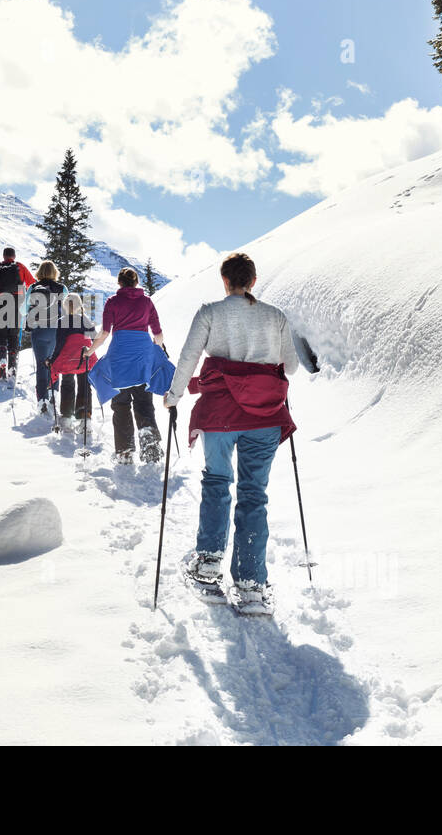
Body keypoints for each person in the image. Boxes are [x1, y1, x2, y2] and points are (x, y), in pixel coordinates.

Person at [162, 252, 300, 616]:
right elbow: (293, 366)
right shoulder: (275, 316)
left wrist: (174, 396)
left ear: (225, 281)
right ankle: (252, 584)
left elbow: (189, 357)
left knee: (217, 482)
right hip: (265, 416)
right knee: (254, 493)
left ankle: (208, 567)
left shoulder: (210, 312)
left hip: (220, 416)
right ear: (253, 281)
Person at [85, 267, 173, 464]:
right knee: (144, 402)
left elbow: (105, 333)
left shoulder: (112, 302)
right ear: (136, 282)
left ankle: (124, 452)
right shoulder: (147, 302)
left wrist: (89, 351)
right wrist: (156, 351)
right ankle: (150, 447)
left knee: (121, 404)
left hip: (119, 357)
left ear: (119, 283)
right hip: (143, 358)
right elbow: (158, 334)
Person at [0, 247, 35, 381]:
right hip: (18, 302)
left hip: (2, 301)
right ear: (14, 256)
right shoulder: (20, 267)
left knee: (1, 334)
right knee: (14, 334)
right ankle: (12, 365)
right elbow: (32, 285)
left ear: (3, 256)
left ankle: (2, 361)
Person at [48, 293, 97, 429]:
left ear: (64, 306)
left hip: (67, 360)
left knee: (67, 384)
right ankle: (84, 419)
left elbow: (59, 344)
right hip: (83, 357)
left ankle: (66, 418)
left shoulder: (62, 321)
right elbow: (94, 340)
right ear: (80, 305)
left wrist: (52, 360)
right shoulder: (86, 320)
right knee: (84, 386)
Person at [24, 261, 66, 415]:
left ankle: (42, 399)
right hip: (56, 331)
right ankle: (54, 395)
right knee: (54, 365)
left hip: (39, 331)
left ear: (39, 272)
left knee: (42, 366)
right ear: (55, 272)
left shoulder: (34, 288)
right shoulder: (62, 288)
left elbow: (24, 310)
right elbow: (68, 310)